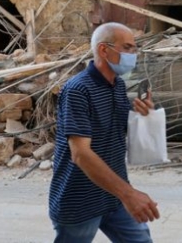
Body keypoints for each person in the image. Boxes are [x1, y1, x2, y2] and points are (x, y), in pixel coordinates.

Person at [49, 22, 160, 243]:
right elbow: (80, 154)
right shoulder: (77, 90)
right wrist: (129, 194)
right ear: (103, 49)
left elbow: (115, 132)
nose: (133, 54)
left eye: (134, 49)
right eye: (127, 47)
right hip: (80, 201)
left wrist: (142, 116)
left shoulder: (117, 85)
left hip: (113, 196)